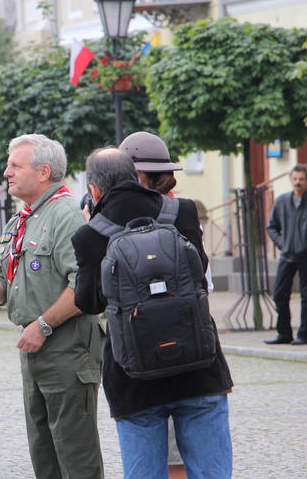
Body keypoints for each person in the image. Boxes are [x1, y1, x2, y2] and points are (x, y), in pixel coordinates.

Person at [72, 144, 233, 479]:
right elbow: (199, 270)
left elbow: (89, 302)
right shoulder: (183, 212)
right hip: (199, 367)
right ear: (136, 175)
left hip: (134, 378)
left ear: (94, 190)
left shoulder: (89, 235)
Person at [0, 134, 106, 479]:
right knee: (43, 451)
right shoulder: (20, 220)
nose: (6, 173)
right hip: (34, 346)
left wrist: (44, 325)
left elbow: (84, 285)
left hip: (67, 344)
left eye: (15, 166)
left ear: (44, 172)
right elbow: (1, 289)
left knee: (75, 452)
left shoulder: (65, 216)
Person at [117, 131, 192, 479]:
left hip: (156, 342)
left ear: (139, 176)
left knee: (170, 457)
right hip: (182, 340)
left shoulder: (130, 218)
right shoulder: (180, 210)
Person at [265, 164, 307, 345]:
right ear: (290, 180)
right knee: (279, 294)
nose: (298, 182)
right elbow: (271, 227)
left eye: (301, 179)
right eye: (295, 179)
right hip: (286, 255)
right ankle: (284, 333)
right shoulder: (281, 202)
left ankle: (304, 335)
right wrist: (282, 243)